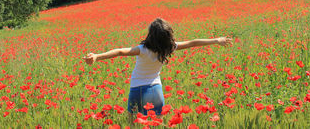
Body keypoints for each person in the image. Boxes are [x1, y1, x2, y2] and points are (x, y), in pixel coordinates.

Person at [83, 18, 232, 123]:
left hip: (137, 90)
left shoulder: (142, 50)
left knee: (133, 125)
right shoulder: (169, 48)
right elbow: (193, 42)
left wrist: (97, 56)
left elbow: (120, 52)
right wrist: (216, 40)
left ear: (150, 35)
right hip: (156, 90)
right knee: (157, 124)